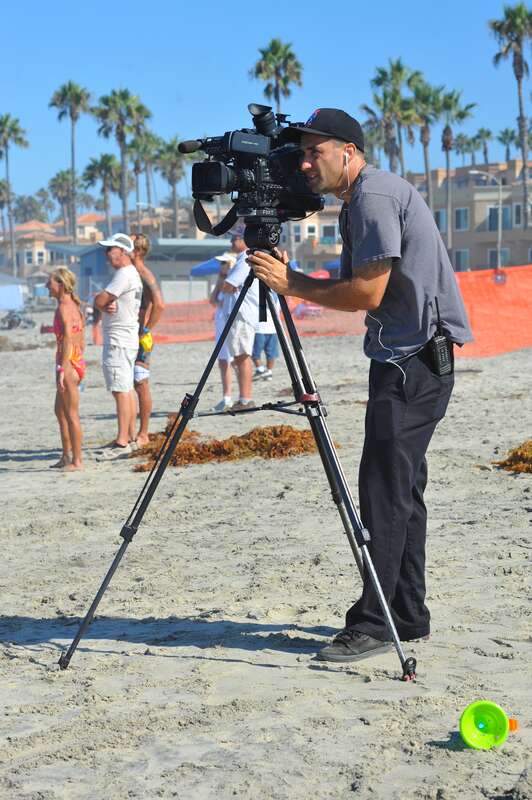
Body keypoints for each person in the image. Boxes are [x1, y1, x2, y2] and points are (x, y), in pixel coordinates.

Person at [248, 108, 472, 663]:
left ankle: (374, 624)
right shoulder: (371, 194)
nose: (304, 163)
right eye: (300, 153)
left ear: (348, 151)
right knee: (400, 489)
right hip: (413, 356)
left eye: (313, 152)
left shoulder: (372, 197)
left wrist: (291, 283)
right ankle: (407, 613)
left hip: (411, 359)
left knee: (382, 491)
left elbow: (366, 294)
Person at [94, 233, 142, 460]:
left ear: (122, 251)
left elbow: (101, 301)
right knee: (126, 389)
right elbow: (106, 301)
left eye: (109, 249)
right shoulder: (131, 274)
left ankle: (123, 441)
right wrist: (104, 303)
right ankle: (129, 437)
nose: (106, 254)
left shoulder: (123, 274)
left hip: (119, 340)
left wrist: (100, 302)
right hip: (127, 338)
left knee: (121, 390)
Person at [47, 267, 86, 471]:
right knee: (60, 411)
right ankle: (66, 455)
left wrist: (63, 369)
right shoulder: (72, 305)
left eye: (50, 283)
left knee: (71, 414)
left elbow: (70, 339)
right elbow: (79, 335)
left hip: (68, 363)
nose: (47, 286)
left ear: (61, 284)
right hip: (74, 360)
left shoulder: (65, 307)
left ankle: (77, 461)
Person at [130, 233, 165, 446]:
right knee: (130, 384)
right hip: (132, 334)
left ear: (137, 251)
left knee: (140, 383)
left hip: (140, 337)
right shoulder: (132, 273)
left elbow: (160, 305)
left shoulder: (144, 274)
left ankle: (143, 433)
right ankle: (131, 432)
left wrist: (145, 329)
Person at [221, 225, 260, 412]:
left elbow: (229, 285)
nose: (231, 242)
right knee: (239, 357)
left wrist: (226, 282)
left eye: (235, 238)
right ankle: (244, 398)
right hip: (239, 314)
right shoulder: (242, 258)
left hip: (241, 314)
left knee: (242, 357)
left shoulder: (246, 258)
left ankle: (245, 399)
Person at [209, 251, 236, 411]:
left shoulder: (233, 283)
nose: (221, 266)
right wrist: (220, 280)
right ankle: (227, 396)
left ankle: (237, 397)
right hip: (220, 323)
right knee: (223, 361)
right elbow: (212, 299)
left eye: (224, 263)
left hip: (230, 324)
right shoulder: (222, 282)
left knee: (233, 361)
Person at [252, 295, 280, 381]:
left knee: (254, 352)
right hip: (272, 327)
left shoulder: (256, 293)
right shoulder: (277, 294)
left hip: (259, 328)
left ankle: (261, 370)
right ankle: (267, 372)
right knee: (271, 353)